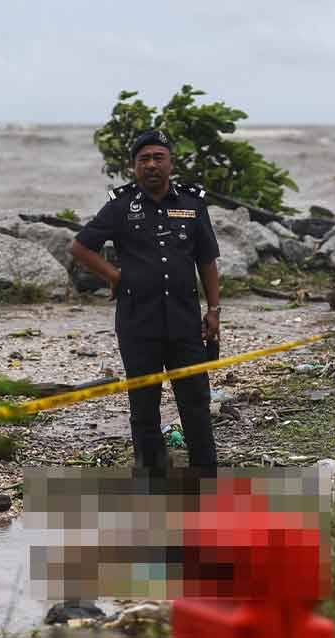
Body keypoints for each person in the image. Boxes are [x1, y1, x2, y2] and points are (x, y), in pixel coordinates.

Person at [70, 130, 220, 471]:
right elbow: (80, 247)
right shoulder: (120, 206)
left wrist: (214, 310)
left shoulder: (192, 204)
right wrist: (114, 276)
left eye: (158, 157)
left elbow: (207, 261)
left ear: (171, 163)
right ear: (133, 166)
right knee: (144, 406)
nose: (151, 165)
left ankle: (206, 483)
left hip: (185, 322)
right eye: (144, 159)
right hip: (139, 324)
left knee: (196, 401)